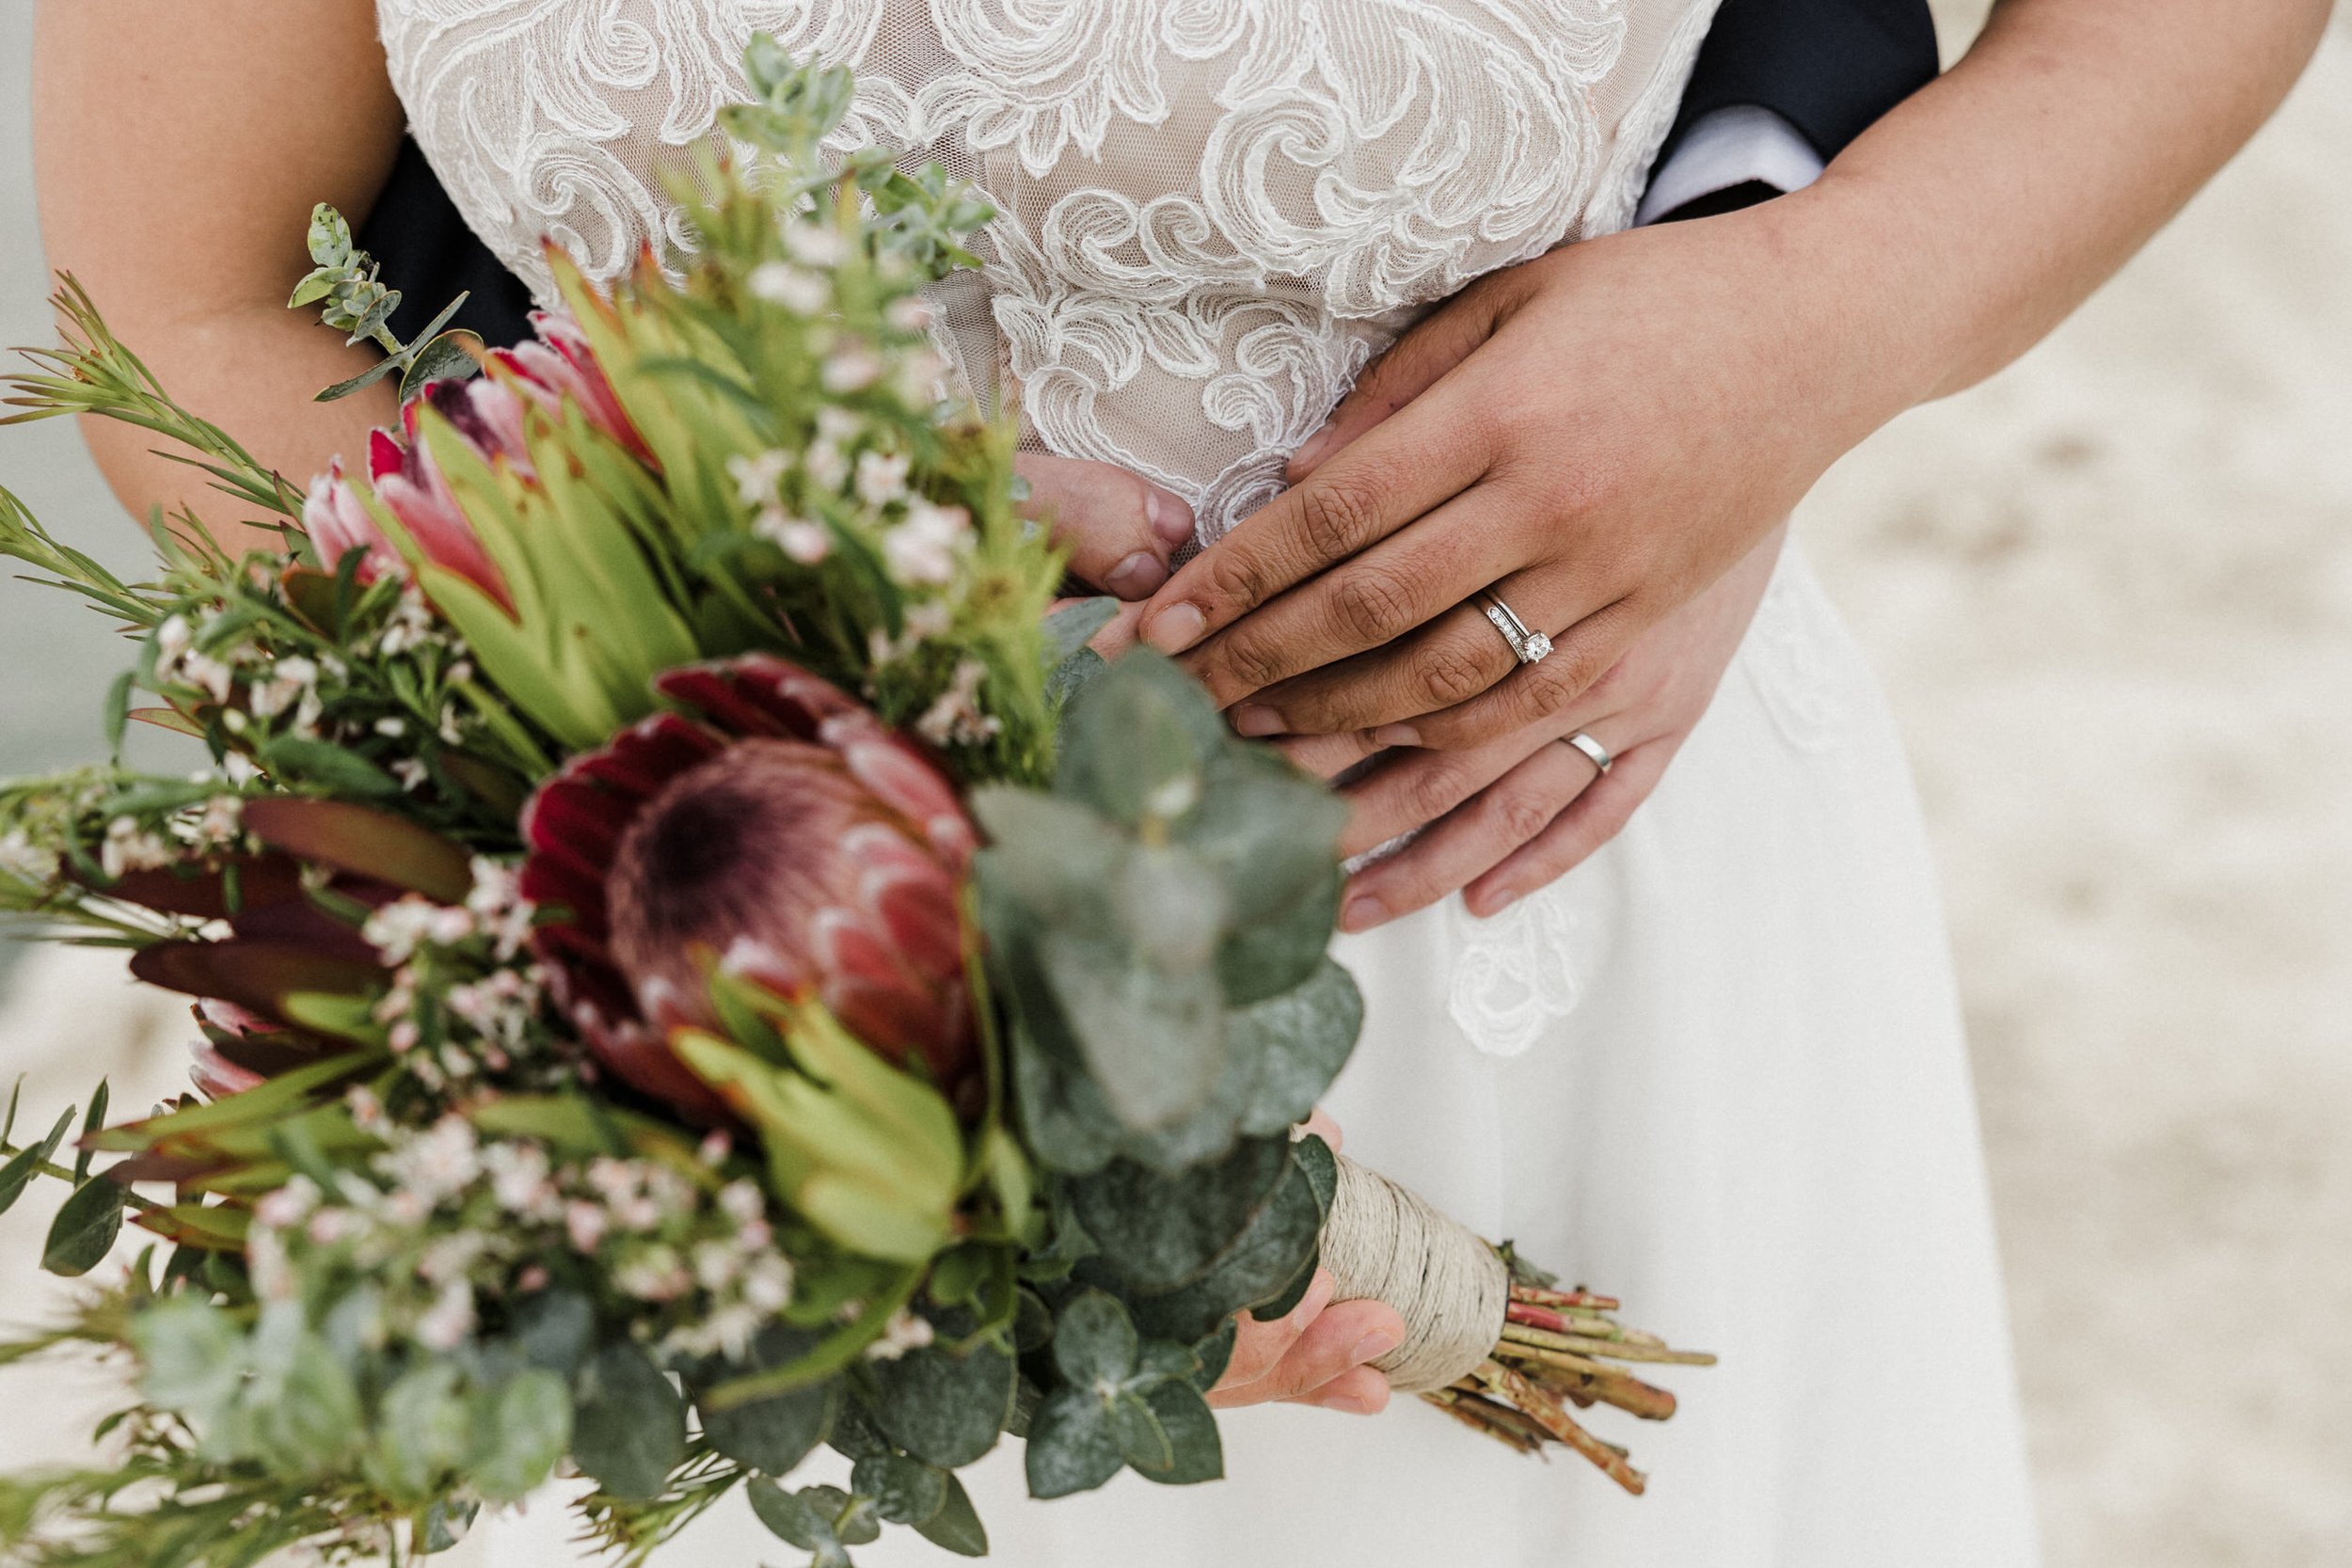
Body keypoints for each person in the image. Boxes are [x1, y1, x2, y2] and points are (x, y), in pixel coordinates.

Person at [27, 1, 2326, 1563]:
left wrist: (1814, 317)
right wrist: (715, 795)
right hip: (698, 1039)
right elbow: (189, 301)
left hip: (1519, 931)